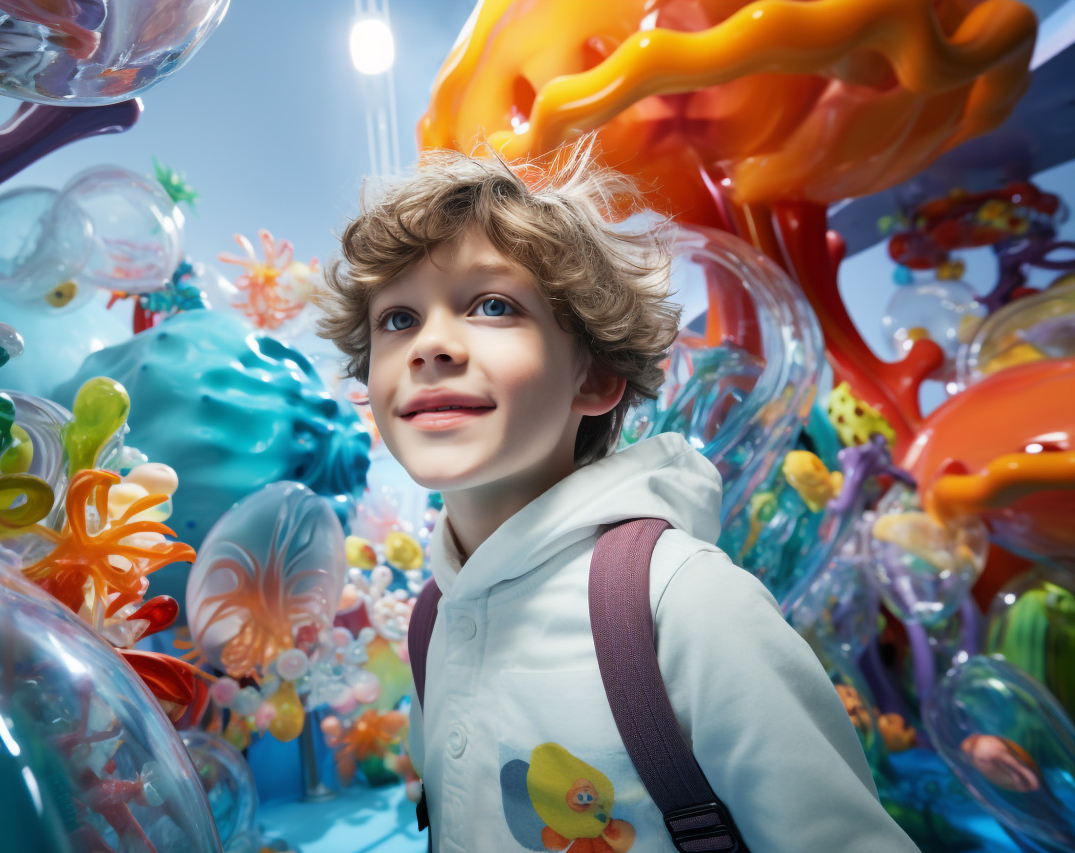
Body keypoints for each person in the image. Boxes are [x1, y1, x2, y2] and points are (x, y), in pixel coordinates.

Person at [317, 140, 918, 852]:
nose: (431, 345)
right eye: (397, 319)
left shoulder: (687, 603)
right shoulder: (433, 617)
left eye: (493, 305)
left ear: (596, 377)